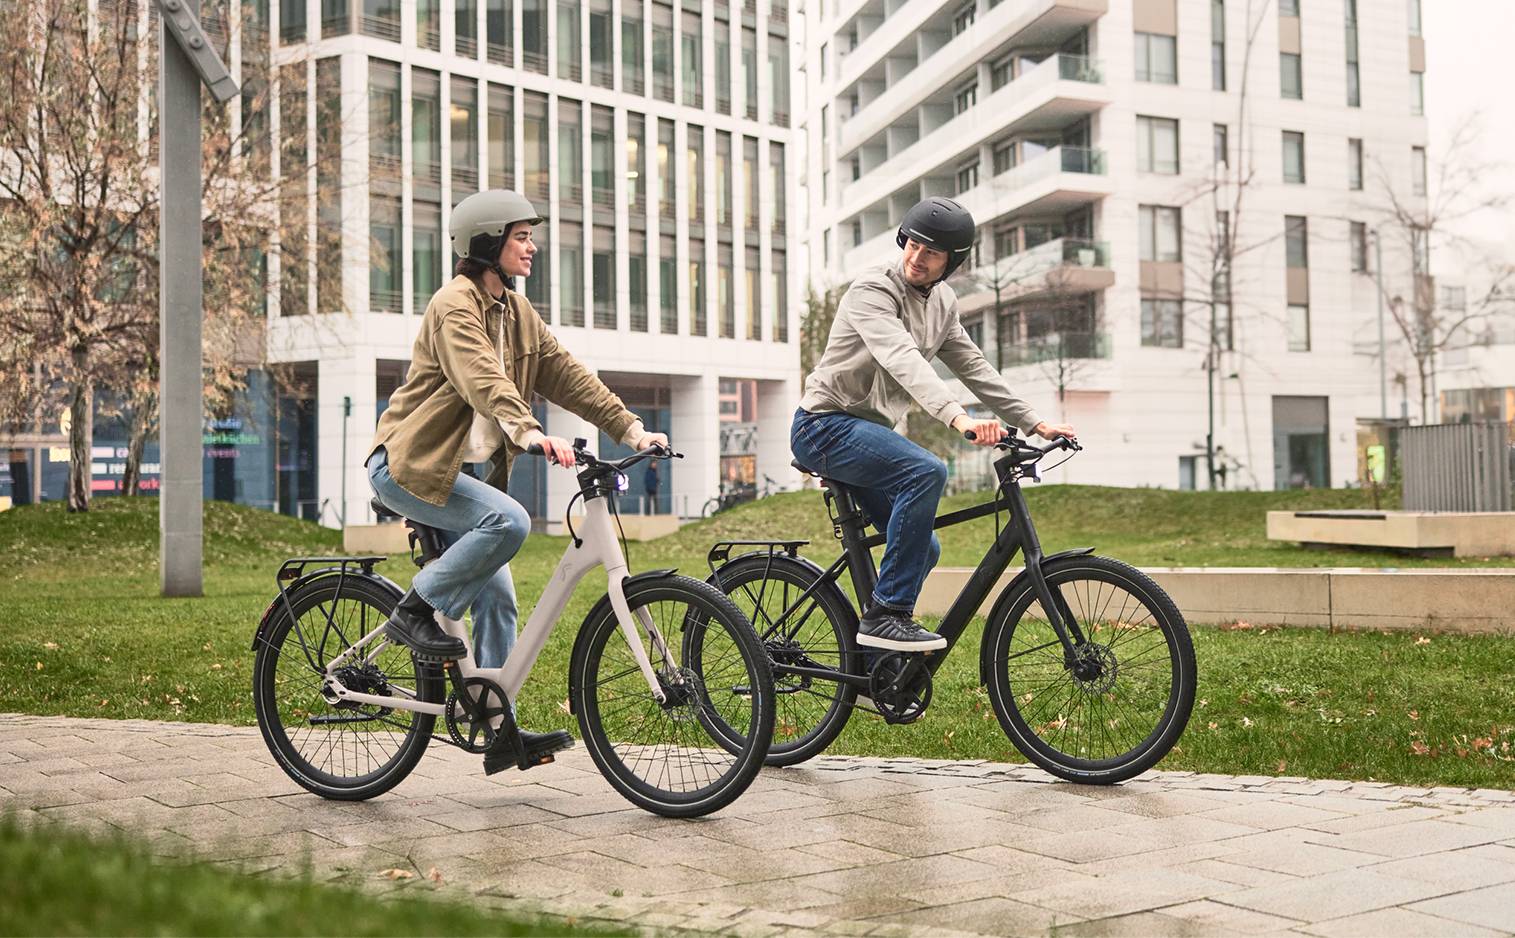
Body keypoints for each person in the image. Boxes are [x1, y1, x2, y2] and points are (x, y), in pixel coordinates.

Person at [366, 189, 667, 772]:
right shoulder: (455, 305)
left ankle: (494, 721)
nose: (532, 246)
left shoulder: (517, 313)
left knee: (500, 599)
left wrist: (630, 429)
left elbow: (569, 375)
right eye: (520, 236)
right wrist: (529, 432)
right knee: (510, 520)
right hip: (409, 468)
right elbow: (481, 378)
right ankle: (414, 611)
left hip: (458, 475)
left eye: (530, 235)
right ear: (487, 241)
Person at [791, 196, 1076, 652]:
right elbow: (903, 359)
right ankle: (887, 616)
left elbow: (974, 366)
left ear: (952, 263)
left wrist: (1035, 422)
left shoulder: (943, 303)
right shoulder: (873, 290)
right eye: (912, 245)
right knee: (925, 471)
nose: (917, 258)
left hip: (868, 436)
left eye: (932, 252)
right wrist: (958, 418)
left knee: (925, 549)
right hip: (823, 426)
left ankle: (874, 651)